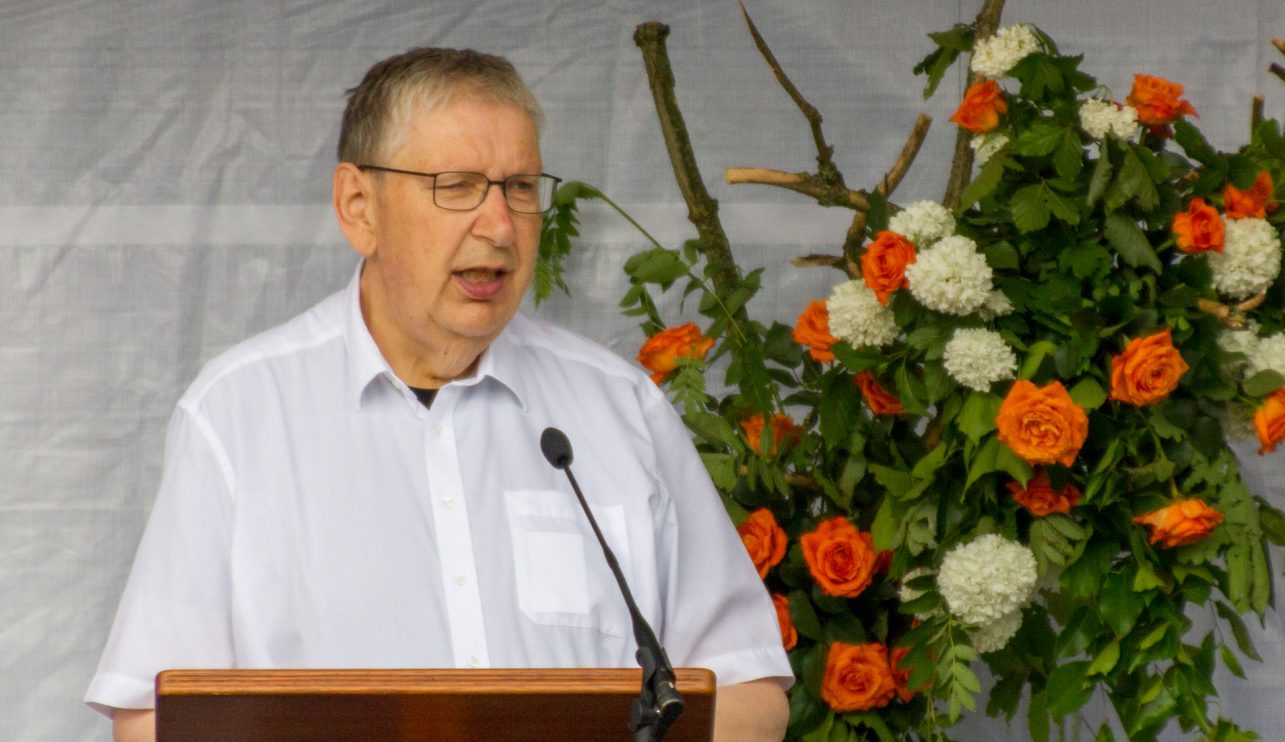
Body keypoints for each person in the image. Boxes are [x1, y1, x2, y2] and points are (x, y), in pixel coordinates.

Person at [85, 48, 791, 741]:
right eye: (456, 185)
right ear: (358, 207)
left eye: (520, 188)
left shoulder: (619, 409)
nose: (500, 225)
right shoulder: (238, 416)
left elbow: (748, 687)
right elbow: (153, 716)